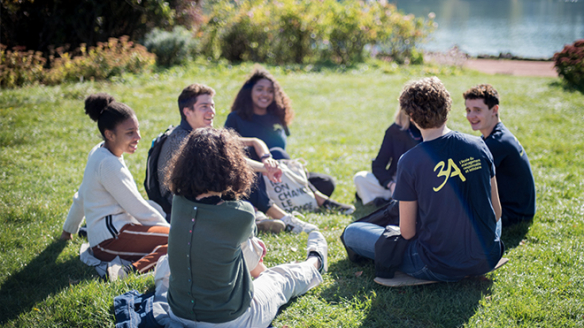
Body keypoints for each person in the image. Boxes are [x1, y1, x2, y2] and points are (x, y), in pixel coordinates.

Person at [343, 77, 503, 282]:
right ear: (448, 107)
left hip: (436, 263)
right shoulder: (479, 145)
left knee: (353, 232)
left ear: (411, 116)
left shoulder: (410, 161)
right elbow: (496, 212)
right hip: (487, 256)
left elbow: (407, 232)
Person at [165, 128, 328, 327]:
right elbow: (251, 254)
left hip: (177, 313)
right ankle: (316, 260)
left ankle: (264, 270)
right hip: (230, 321)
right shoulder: (241, 213)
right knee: (282, 279)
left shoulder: (179, 201)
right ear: (231, 165)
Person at [157, 83, 318, 234]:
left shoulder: (198, 134)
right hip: (181, 207)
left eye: (212, 106)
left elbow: (252, 142)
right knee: (234, 170)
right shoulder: (182, 139)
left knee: (240, 161)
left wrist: (266, 160)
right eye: (204, 107)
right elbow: (226, 164)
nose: (211, 112)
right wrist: (265, 168)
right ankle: (281, 218)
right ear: (187, 112)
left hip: (198, 197)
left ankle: (258, 217)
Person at [60, 93, 170, 281]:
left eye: (137, 130)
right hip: (110, 241)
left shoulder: (100, 151)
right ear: (109, 134)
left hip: (112, 235)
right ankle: (129, 272)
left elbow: (82, 195)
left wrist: (68, 231)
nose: (138, 137)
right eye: (130, 133)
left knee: (181, 238)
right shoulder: (108, 164)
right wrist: (169, 228)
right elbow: (138, 208)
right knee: (183, 241)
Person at [226, 66, 355, 215]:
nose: (265, 94)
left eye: (270, 91)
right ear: (250, 92)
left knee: (326, 182)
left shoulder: (277, 117)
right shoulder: (236, 118)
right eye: (260, 89)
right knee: (276, 152)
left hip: (280, 175)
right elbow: (228, 149)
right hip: (255, 176)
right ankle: (320, 200)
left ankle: (293, 199)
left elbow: (284, 158)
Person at [463, 84, 536, 226]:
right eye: (468, 110)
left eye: (477, 110)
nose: (471, 116)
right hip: (519, 210)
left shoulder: (497, 143)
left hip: (513, 214)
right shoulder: (498, 135)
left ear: (494, 110)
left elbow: (466, 180)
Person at [354, 107, 422, 206]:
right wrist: (390, 184)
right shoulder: (394, 131)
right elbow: (378, 165)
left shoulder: (433, 132)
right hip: (396, 182)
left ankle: (389, 202)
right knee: (360, 178)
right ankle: (391, 200)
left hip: (419, 184)